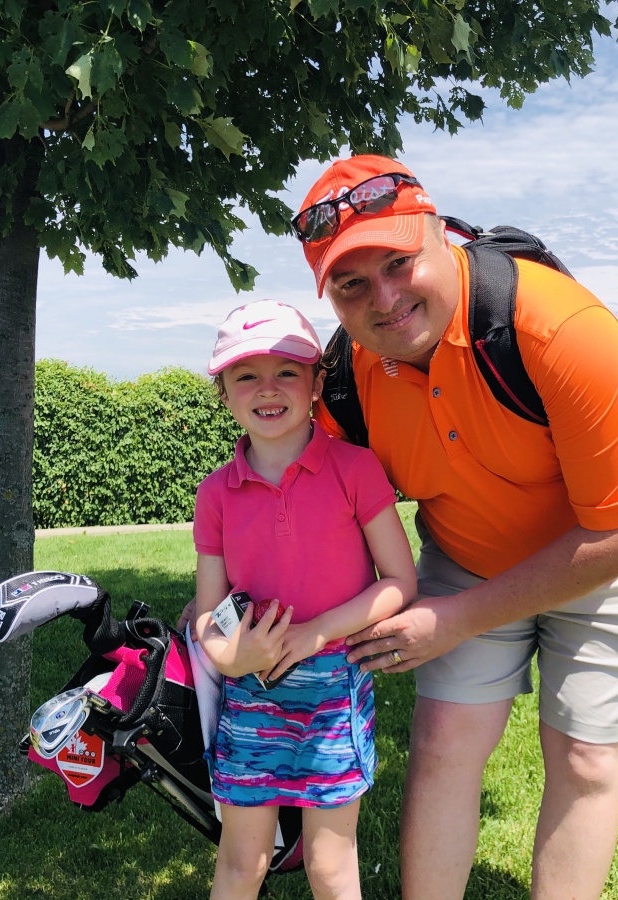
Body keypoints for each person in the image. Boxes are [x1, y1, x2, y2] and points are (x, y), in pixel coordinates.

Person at [293, 155, 618, 900]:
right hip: (469, 553)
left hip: (610, 548)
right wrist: (233, 600)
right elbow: (306, 507)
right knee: (443, 745)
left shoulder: (561, 327)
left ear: (441, 235)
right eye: (351, 284)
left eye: (399, 262)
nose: (385, 298)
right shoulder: (346, 378)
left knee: (585, 759)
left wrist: (455, 620)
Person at [192, 299, 417, 900]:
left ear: (318, 384)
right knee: (242, 862)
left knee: (329, 863)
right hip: (250, 693)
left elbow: (399, 581)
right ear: (223, 393)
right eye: (246, 375)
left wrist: (317, 632)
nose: (268, 388)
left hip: (333, 692)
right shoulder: (215, 494)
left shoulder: (356, 469)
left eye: (287, 371)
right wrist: (229, 657)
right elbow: (208, 614)